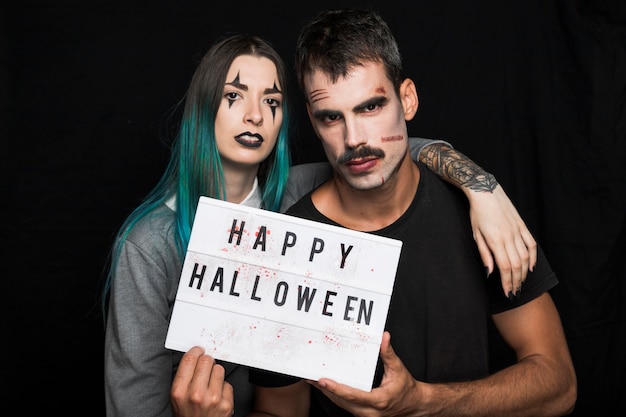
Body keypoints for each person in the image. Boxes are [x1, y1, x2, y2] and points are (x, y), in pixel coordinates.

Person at [103, 33, 537, 417]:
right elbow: (133, 404)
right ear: (202, 109)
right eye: (233, 96)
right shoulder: (147, 245)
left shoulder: (295, 194)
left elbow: (391, 149)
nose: (255, 115)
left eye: (271, 101)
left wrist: (482, 189)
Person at [244, 9, 577, 417]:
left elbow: (559, 382)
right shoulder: (288, 249)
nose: (354, 140)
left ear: (408, 99)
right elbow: (280, 410)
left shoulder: (481, 216)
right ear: (314, 125)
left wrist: (423, 403)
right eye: (331, 118)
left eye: (370, 108)